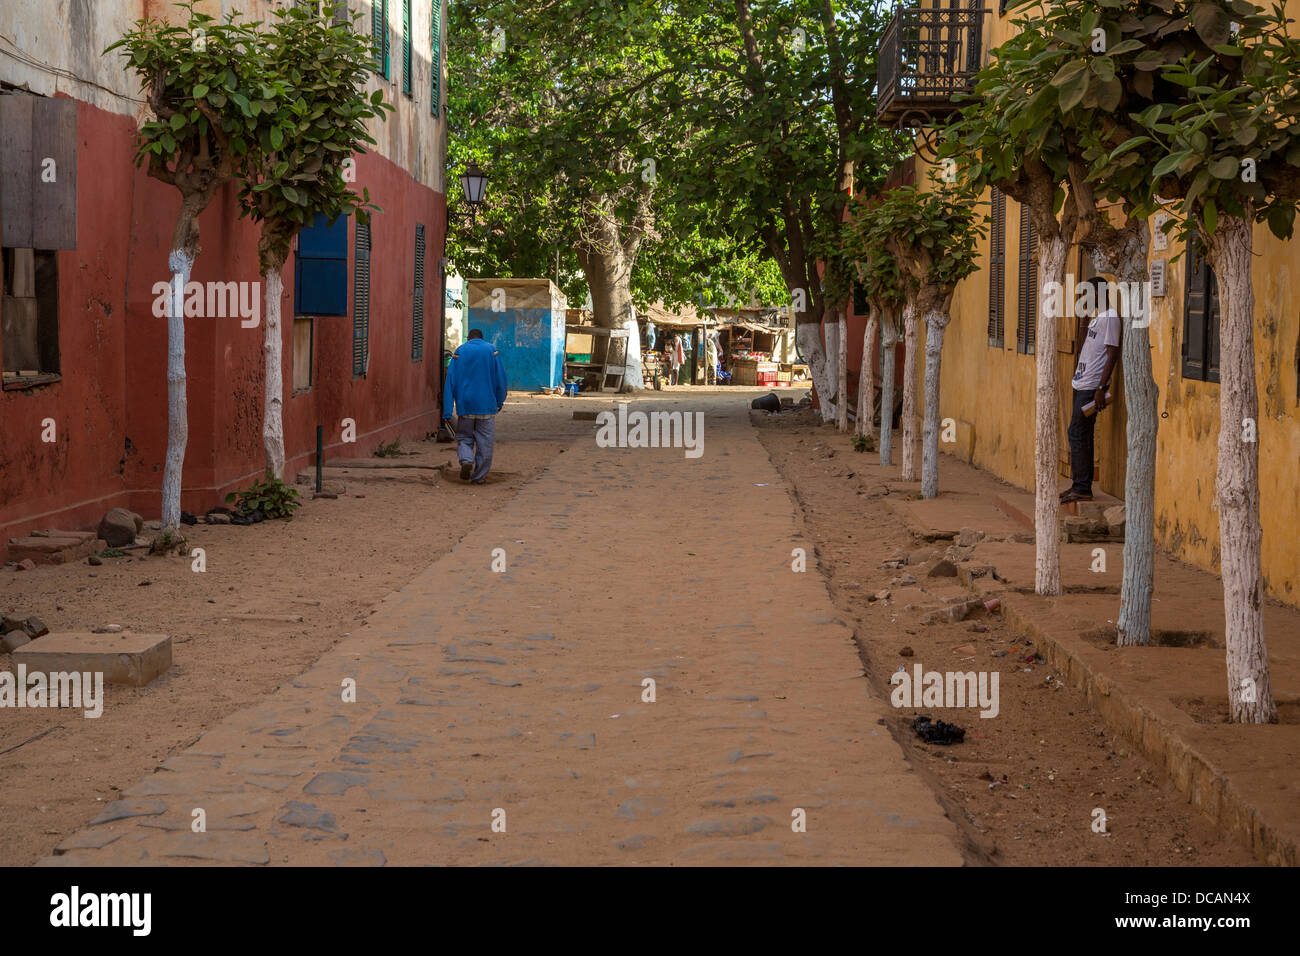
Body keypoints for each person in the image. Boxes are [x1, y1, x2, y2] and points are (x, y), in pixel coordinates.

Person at [1063, 277, 1122, 503]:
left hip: (1092, 387)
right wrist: (1085, 320)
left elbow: (1112, 353)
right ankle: (1080, 485)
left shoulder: (1111, 318)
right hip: (1081, 383)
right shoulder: (1098, 318)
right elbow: (1081, 349)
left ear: (1100, 292)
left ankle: (1082, 487)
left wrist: (1101, 387)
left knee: (1076, 433)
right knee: (1082, 434)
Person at [442, 328, 508, 484]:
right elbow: (501, 379)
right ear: (482, 338)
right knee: (485, 442)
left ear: (468, 338)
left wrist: (447, 411)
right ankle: (478, 477)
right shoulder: (492, 351)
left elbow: (449, 382)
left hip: (466, 406)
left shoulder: (460, 352)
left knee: (464, 437)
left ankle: (466, 459)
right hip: (487, 405)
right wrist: (499, 401)